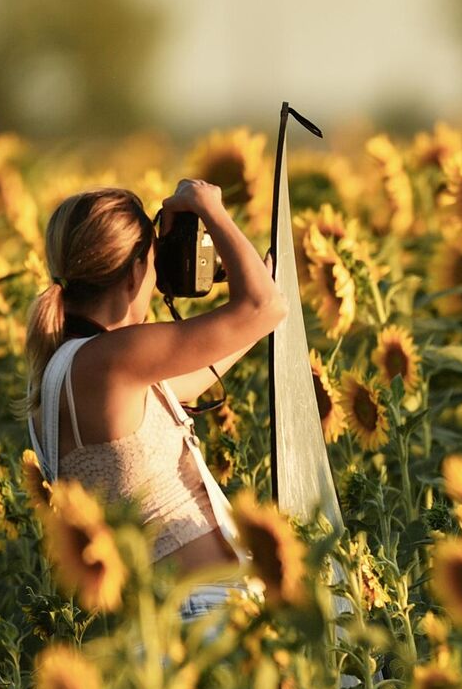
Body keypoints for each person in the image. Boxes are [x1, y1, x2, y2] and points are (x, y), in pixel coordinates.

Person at [16, 180, 287, 632]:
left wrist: (259, 298)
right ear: (134, 272)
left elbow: (207, 366)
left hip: (176, 620)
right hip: (204, 615)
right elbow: (263, 308)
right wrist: (209, 207)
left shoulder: (75, 369)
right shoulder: (109, 360)